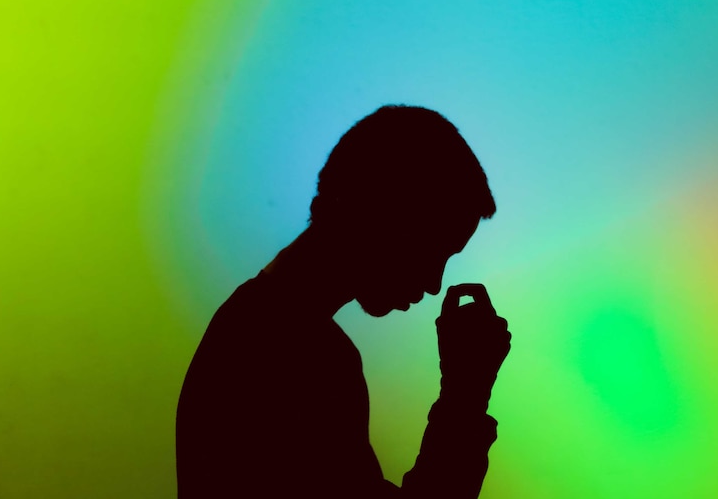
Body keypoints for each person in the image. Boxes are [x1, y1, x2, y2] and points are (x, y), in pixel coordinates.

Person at [176, 105, 511, 498]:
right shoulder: (295, 352)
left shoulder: (257, 328)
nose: (434, 284)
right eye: (431, 249)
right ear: (379, 214)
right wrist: (465, 395)